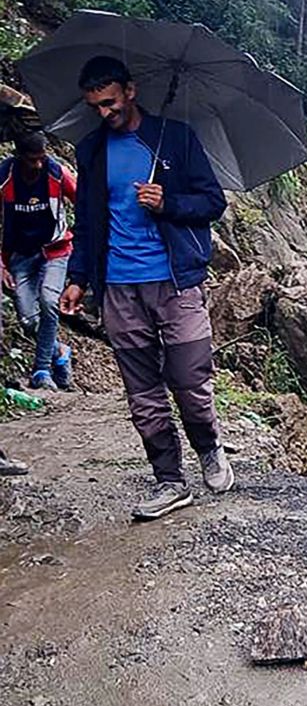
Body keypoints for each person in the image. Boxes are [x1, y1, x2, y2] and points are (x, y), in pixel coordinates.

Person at [59, 55, 233, 520]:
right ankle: (169, 480)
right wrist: (77, 278)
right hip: (118, 286)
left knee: (191, 381)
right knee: (142, 393)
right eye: (95, 106)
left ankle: (208, 446)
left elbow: (212, 203)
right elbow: (88, 222)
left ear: (130, 92)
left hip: (175, 282)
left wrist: (168, 201)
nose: (104, 113)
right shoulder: (92, 150)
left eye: (110, 102)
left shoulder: (175, 138)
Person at [1, 130, 75, 390]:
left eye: (42, 158)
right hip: (20, 254)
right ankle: (60, 351)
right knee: (28, 319)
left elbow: (85, 203)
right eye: (32, 160)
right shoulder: (5, 176)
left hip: (56, 250)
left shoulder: (57, 173)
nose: (39, 164)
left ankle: (41, 369)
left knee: (49, 300)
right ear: (19, 157)